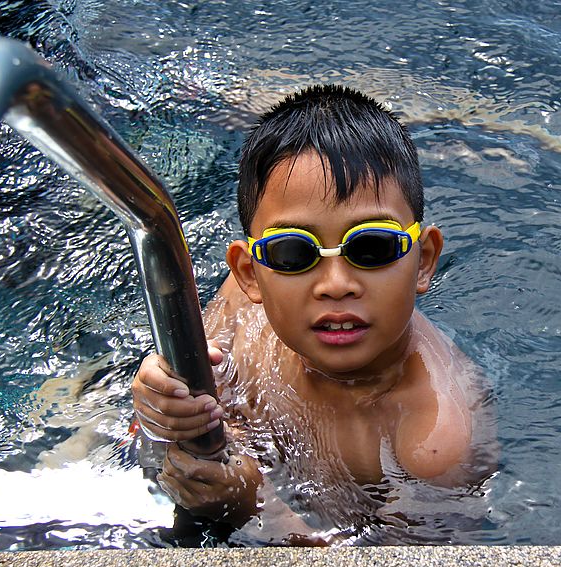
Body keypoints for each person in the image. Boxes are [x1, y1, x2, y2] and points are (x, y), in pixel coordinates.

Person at [131, 85, 492, 543]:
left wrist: (249, 504)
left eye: (372, 246)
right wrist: (162, 407)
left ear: (423, 261)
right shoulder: (242, 305)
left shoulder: (434, 443)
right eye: (291, 252)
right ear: (250, 273)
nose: (336, 283)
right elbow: (188, 412)